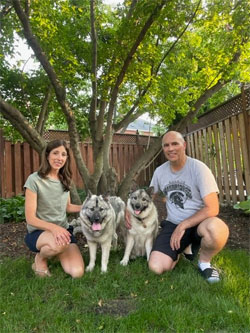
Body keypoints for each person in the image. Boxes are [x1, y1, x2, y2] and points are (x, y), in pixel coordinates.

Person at [147, 131, 229, 283]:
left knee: (216, 229)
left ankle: (205, 263)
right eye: (166, 145)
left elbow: (213, 208)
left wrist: (184, 225)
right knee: (156, 267)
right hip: (173, 224)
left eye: (175, 144)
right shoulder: (160, 172)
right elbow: (148, 197)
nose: (170, 148)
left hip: (199, 223)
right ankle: (182, 249)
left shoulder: (199, 169)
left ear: (184, 145)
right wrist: (129, 209)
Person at [24, 140, 84, 278]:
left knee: (77, 273)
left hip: (63, 231)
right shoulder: (34, 180)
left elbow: (67, 207)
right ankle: (40, 259)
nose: (59, 158)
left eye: (63, 154)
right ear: (47, 155)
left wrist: (86, 207)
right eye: (55, 153)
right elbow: (30, 218)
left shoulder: (65, 179)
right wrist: (54, 228)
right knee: (59, 244)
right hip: (40, 232)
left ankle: (56, 252)